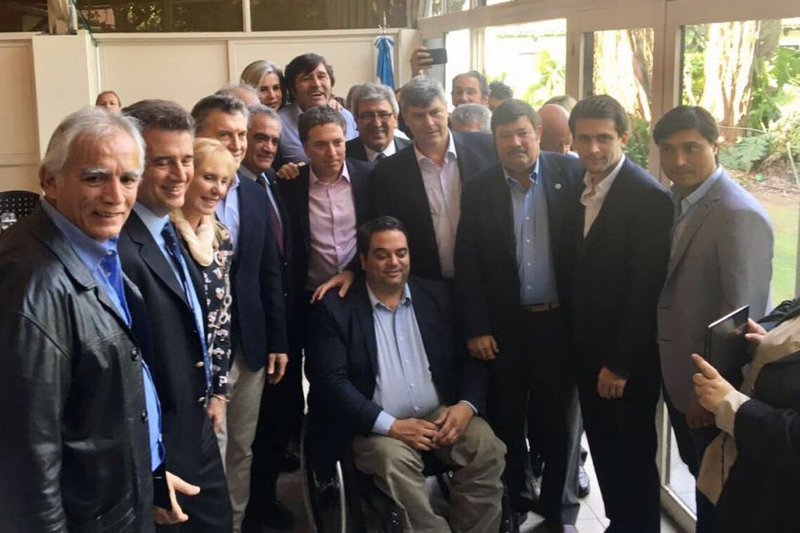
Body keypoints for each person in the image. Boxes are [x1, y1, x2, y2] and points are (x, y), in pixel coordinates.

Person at [0, 107, 196, 532]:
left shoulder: (92, 246)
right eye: (95, 178)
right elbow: (27, 466)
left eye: (128, 179)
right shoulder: (33, 285)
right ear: (50, 180)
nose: (115, 196)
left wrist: (146, 476)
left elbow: (94, 410)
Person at [306, 216, 506, 533]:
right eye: (382, 254)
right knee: (394, 465)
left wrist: (466, 405)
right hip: (378, 429)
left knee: (488, 450)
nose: (394, 262)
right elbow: (332, 383)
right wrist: (392, 426)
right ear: (363, 261)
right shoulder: (336, 309)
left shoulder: (438, 297)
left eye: (401, 253)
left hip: (441, 416)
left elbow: (470, 358)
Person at [454, 99, 583, 530]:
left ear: (538, 133)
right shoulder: (479, 188)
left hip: (559, 323)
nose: (515, 143)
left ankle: (559, 511)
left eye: (523, 133)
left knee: (560, 421)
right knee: (507, 417)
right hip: (504, 327)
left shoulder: (571, 175)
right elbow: (468, 262)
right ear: (494, 141)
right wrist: (477, 327)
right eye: (505, 136)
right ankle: (516, 498)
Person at [654, 105, 773, 533]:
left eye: (691, 148)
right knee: (700, 478)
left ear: (715, 145)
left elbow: (740, 320)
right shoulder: (675, 200)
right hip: (675, 375)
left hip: (707, 389)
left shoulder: (738, 214)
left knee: (720, 497)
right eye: (668, 149)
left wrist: (707, 396)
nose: (678, 160)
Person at [120, 99, 233, 532]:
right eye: (163, 162)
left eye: (186, 160)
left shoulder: (169, 227)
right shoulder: (120, 247)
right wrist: (148, 463)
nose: (180, 174)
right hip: (160, 442)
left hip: (195, 422)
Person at [568, 95, 672, 532]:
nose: (593, 149)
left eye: (604, 138)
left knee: (632, 455)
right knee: (607, 452)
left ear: (624, 138)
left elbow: (645, 291)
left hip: (624, 364)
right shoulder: (580, 186)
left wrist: (620, 364)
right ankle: (620, 522)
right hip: (588, 355)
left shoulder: (647, 197)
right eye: (584, 139)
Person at [192, 94, 289, 533]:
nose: (235, 144)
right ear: (198, 136)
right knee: (209, 449)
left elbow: (269, 273)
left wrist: (278, 340)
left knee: (241, 449)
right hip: (200, 351)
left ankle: (233, 524)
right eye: (223, 134)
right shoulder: (183, 193)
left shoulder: (253, 194)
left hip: (249, 345)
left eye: (240, 135)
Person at [239, 105, 301, 530]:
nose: (266, 147)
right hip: (254, 331)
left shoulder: (272, 183)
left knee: (278, 418)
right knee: (254, 430)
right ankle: (254, 507)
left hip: (284, 321)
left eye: (273, 140)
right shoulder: (233, 190)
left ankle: (264, 497)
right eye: (258, 138)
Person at [371, 75, 496, 281]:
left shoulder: (487, 150)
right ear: (405, 119)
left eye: (435, 112)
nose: (429, 123)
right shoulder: (388, 173)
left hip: (484, 278)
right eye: (419, 116)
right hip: (425, 283)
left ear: (447, 110)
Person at [692, 298, 800, 533]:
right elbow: (789, 310)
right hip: (737, 469)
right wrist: (769, 341)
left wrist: (732, 407)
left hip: (776, 501)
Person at [171, 138, 237, 437]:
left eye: (224, 181)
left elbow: (222, 321)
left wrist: (219, 393)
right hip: (172, 385)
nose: (217, 190)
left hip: (209, 386)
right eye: (209, 178)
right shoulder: (162, 236)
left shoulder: (221, 237)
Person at [277, 53, 358, 164]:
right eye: (307, 78)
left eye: (321, 76)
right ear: (293, 89)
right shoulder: (279, 123)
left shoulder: (345, 116)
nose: (316, 84)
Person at [345, 82, 411, 163]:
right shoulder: (344, 156)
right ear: (356, 120)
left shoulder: (413, 153)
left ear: (395, 119)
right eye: (367, 116)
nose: (377, 124)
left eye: (384, 115)